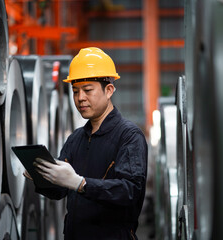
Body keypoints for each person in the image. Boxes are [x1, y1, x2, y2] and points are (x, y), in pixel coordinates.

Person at [29, 47, 148, 239]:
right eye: (75, 91)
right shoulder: (76, 138)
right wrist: (42, 175)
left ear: (109, 90)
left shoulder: (129, 136)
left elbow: (130, 191)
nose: (80, 98)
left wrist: (81, 183)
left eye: (87, 90)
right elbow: (60, 191)